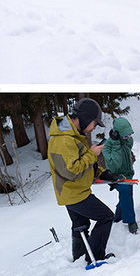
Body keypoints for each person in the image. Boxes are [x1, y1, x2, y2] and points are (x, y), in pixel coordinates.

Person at [47, 98, 125, 264]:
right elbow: (71, 171)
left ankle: (79, 260)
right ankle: (95, 258)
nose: (94, 128)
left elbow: (83, 163)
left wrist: (104, 174)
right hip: (74, 192)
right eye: (94, 123)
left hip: (70, 191)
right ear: (85, 118)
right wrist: (92, 154)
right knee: (106, 217)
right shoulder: (64, 140)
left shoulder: (73, 135)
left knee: (80, 224)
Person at [101, 117, 138, 234]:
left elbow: (129, 144)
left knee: (126, 196)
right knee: (126, 192)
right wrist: (115, 143)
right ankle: (131, 221)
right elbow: (116, 163)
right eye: (125, 135)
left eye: (129, 135)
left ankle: (117, 217)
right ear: (117, 134)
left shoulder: (127, 141)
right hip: (115, 176)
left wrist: (124, 139)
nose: (128, 138)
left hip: (128, 175)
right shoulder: (107, 146)